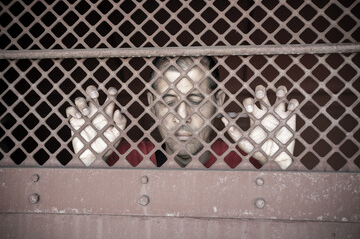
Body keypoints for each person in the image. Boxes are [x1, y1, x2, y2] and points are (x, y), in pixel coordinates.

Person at [66, 56, 299, 169]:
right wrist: (89, 160)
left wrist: (279, 163)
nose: (183, 114)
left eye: (196, 99)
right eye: (168, 101)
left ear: (218, 102)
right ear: (151, 104)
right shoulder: (126, 159)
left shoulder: (246, 161)